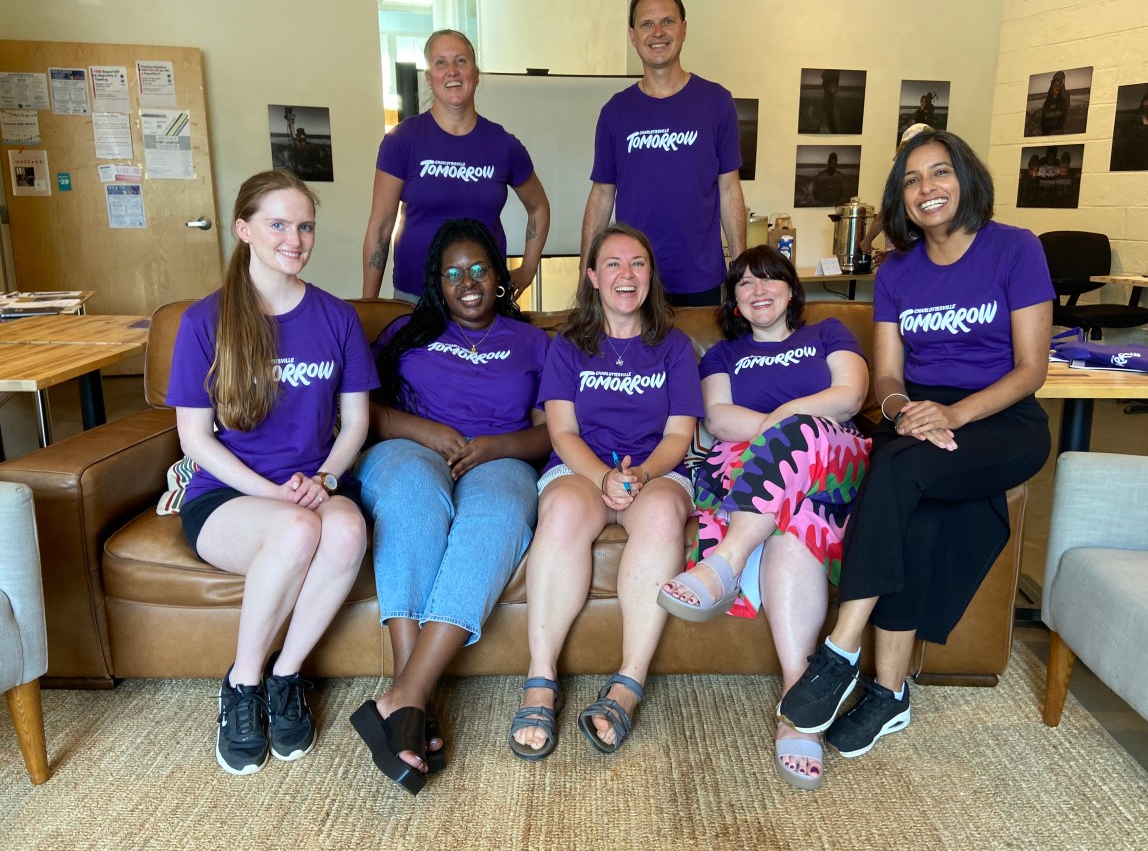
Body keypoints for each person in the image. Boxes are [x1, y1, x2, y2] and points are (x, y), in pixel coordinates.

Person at [778, 130, 1053, 770]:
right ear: (900, 198)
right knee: (911, 504)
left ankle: (841, 650)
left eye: (939, 173)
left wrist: (951, 412)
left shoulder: (1015, 249)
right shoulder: (897, 270)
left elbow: (1031, 367)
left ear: (966, 179)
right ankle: (888, 692)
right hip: (917, 416)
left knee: (898, 470)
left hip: (1001, 417)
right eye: (912, 180)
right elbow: (888, 376)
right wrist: (904, 410)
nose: (927, 189)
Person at [166, 170, 379, 776]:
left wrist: (328, 480)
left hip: (316, 486)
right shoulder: (204, 321)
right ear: (244, 230)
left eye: (305, 225)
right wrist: (276, 494)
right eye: (278, 224)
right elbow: (194, 438)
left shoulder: (336, 318)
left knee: (345, 532)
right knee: (297, 531)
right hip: (230, 499)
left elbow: (356, 423)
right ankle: (243, 683)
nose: (295, 238)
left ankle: (287, 677)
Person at [657, 247, 872, 790]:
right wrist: (780, 430)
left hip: (832, 457)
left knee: (799, 434)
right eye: (745, 283)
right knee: (794, 531)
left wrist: (787, 423)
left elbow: (849, 396)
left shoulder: (826, 334)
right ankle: (800, 703)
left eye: (769, 278)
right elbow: (720, 418)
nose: (758, 289)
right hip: (762, 474)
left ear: (791, 290)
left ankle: (726, 562)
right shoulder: (723, 356)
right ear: (733, 300)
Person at [351, 218, 550, 795]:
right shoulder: (405, 334)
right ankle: (414, 695)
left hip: (502, 457)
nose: (468, 283)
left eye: (480, 269)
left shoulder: (536, 342)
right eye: (453, 273)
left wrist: (499, 445)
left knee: (500, 517)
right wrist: (425, 431)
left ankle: (404, 699)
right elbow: (364, 412)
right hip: (408, 450)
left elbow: (555, 432)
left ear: (500, 274)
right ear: (437, 282)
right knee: (413, 497)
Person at [508, 223, 702, 759]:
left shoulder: (675, 346)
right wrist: (601, 477)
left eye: (638, 263)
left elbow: (678, 435)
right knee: (565, 510)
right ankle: (541, 678)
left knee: (663, 515)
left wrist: (639, 475)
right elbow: (562, 431)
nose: (626, 274)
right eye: (613, 263)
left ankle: (629, 681)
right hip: (583, 470)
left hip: (655, 472)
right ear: (592, 276)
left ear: (650, 276)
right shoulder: (568, 345)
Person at [581, 0, 745, 307]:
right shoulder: (615, 112)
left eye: (668, 22)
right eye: (646, 24)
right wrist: (586, 276)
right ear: (632, 35)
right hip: (633, 282)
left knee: (700, 359)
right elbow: (601, 196)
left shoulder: (717, 102)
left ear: (684, 29)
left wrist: (741, 273)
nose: (658, 32)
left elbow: (729, 191)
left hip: (701, 280)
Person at [362, 29, 550, 303]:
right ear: (429, 78)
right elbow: (380, 227)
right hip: (416, 300)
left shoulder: (503, 144)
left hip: (483, 300)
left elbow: (539, 207)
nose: (452, 71)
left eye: (461, 61)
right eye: (440, 62)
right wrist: (369, 307)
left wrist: (529, 268)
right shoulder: (402, 140)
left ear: (475, 74)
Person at [858, 123, 934, 260]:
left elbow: (884, 215)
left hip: (911, 254)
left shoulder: (901, 176)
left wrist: (866, 242)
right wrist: (890, 256)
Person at [1039, 70, 1070, 135]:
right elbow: (1043, 120)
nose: (1057, 87)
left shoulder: (1064, 99)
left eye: (1059, 85)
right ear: (1052, 86)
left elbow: (1064, 117)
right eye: (1055, 85)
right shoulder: (1047, 102)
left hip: (1057, 132)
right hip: (1047, 132)